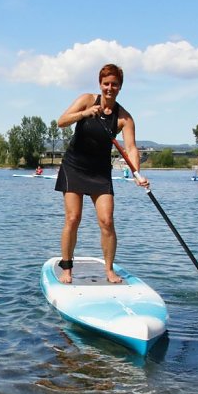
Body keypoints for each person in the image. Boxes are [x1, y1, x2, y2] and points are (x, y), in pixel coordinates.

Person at [54, 64, 148, 284]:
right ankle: (67, 268)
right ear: (100, 84)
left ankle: (109, 270)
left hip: (100, 172)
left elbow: (131, 148)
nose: (109, 88)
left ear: (120, 87)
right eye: (106, 83)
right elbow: (61, 122)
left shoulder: (124, 118)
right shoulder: (87, 100)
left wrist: (137, 174)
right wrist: (85, 113)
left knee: (106, 221)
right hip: (74, 166)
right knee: (73, 218)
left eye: (114, 84)